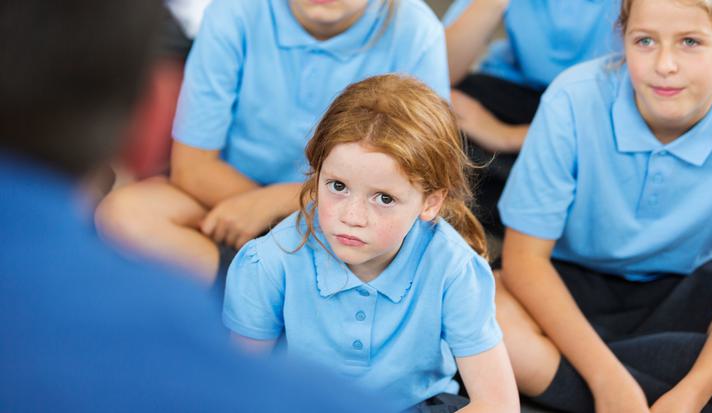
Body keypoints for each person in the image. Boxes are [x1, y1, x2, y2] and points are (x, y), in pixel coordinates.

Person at [0, 1, 394, 412]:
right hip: (229, 217)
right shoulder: (154, 326)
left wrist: (285, 201)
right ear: (152, 117)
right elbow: (192, 169)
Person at [95, 0, 450, 284]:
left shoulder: (416, 32)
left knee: (400, 251)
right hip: (227, 198)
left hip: (347, 217)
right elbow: (193, 167)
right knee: (123, 214)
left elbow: (416, 184)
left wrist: (276, 202)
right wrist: (255, 209)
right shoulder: (234, 12)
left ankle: (266, 292)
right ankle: (263, 292)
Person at [222, 75, 519, 412]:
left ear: (430, 203)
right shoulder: (272, 260)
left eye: (384, 198)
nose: (352, 216)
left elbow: (497, 404)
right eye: (337, 186)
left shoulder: (453, 269)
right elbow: (241, 387)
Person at [496, 0, 712, 411]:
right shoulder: (572, 98)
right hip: (569, 285)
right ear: (623, 39)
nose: (665, 64)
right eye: (645, 41)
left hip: (686, 287)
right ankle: (628, 388)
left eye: (690, 42)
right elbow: (524, 260)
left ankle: (588, 390)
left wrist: (694, 392)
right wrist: (606, 377)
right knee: (479, 308)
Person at [443, 0, 621, 239]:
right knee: (436, 122)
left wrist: (506, 136)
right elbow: (438, 74)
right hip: (520, 91)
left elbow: (638, 113)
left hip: (603, 112)